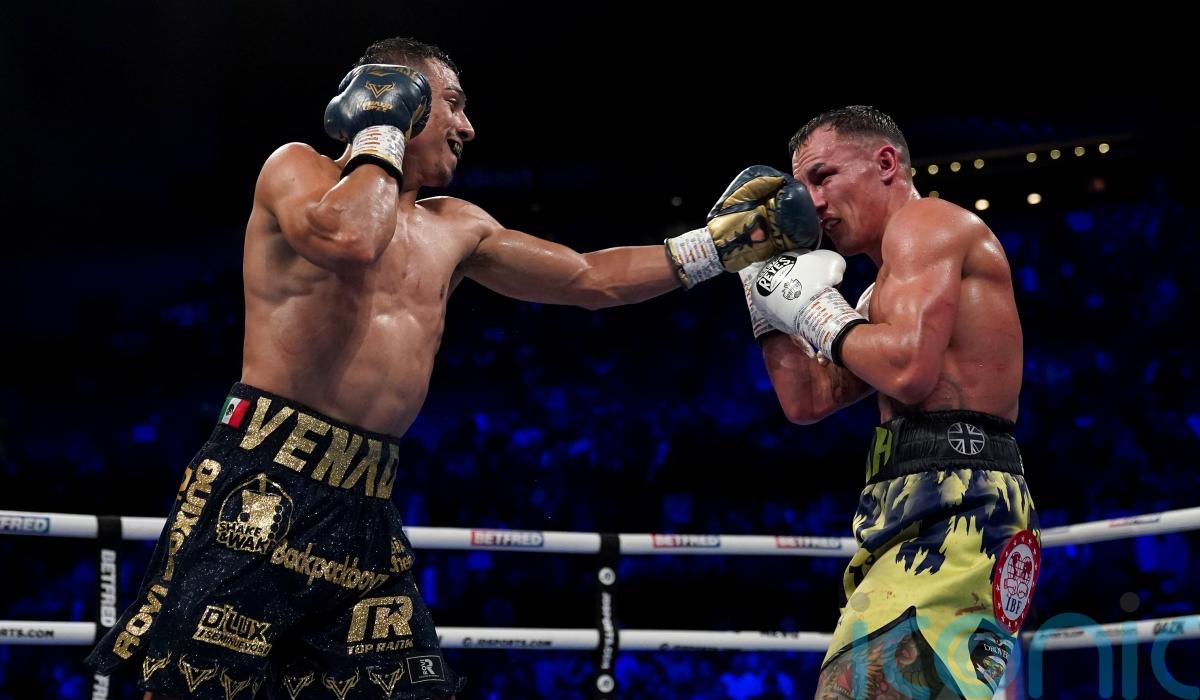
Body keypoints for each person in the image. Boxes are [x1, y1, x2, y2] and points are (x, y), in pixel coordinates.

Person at [84, 37, 821, 699]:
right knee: (189, 688)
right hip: (261, 483)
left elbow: (588, 278)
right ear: (400, 98)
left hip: (364, 507)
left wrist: (719, 245)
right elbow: (352, 240)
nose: (468, 127)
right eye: (454, 104)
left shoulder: (457, 225)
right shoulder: (296, 169)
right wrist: (380, 130)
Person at [742, 106, 1040, 699]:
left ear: (885, 163)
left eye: (823, 177)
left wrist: (815, 310)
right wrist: (759, 286)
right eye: (802, 188)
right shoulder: (882, 292)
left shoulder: (928, 222)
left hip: (958, 506)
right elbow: (808, 399)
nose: (812, 204)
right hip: (916, 502)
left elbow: (906, 370)